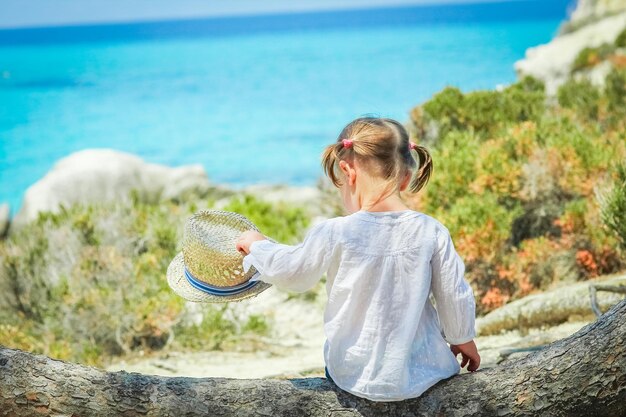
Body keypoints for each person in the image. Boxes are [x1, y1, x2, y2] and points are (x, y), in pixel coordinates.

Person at [236, 116, 480, 402]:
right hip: (424, 371)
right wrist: (463, 339)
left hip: (352, 375)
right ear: (405, 177)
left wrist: (258, 246)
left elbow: (293, 272)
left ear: (348, 171)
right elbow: (454, 293)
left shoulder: (336, 231)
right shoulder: (431, 230)